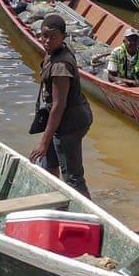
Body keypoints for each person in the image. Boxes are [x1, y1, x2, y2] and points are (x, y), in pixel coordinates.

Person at [29, 14, 93, 198]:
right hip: (62, 119)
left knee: (73, 177)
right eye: (44, 36)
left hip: (70, 123)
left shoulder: (60, 66)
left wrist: (43, 141)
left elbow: (59, 105)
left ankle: (86, 210)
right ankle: (54, 201)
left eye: (53, 37)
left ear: (63, 37)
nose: (47, 41)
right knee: (48, 164)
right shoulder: (54, 52)